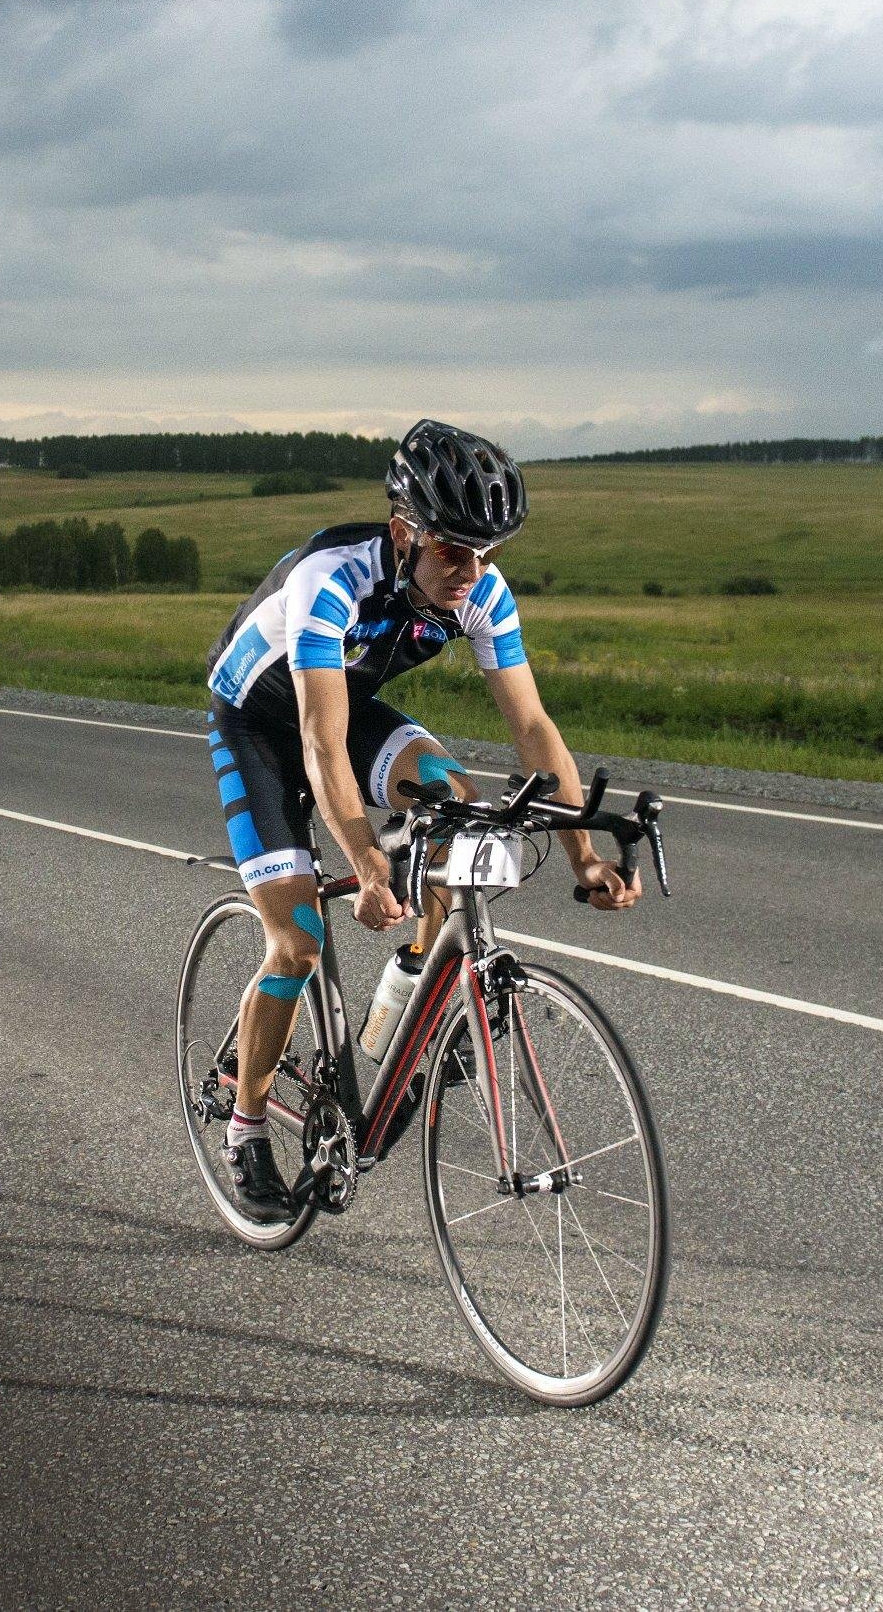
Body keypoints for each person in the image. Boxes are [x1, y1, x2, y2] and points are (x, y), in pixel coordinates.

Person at [202, 419, 635, 1222]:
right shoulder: (328, 581)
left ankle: (410, 982)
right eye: (453, 552)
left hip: (344, 704)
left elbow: (534, 729)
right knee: (296, 940)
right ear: (404, 533)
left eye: (489, 552)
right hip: (261, 723)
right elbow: (318, 744)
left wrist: (582, 854)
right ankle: (246, 1124)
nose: (472, 572)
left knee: (461, 809)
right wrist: (364, 860)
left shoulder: (481, 591)